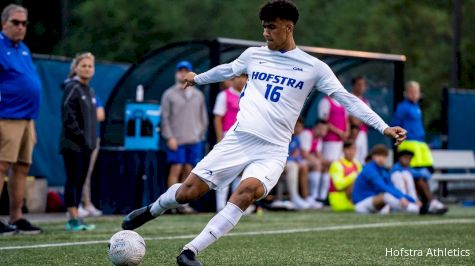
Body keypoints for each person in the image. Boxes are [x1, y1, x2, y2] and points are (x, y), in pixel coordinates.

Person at [122, 1, 406, 265]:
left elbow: (347, 99)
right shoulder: (253, 55)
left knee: (248, 192)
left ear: (288, 27)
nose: (266, 32)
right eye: (264, 26)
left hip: (272, 151)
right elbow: (228, 69)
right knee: (187, 193)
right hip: (238, 139)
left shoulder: (314, 67)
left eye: (271, 26)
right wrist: (198, 78)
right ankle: (153, 210)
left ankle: (190, 251)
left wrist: (383, 126)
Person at [0, 4, 42, 235]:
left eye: (24, 23)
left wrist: (31, 123)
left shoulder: (23, 48)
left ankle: (16, 217)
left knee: (22, 167)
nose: (20, 27)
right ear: (3, 23)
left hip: (27, 119)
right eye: (15, 22)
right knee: (1, 166)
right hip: (6, 116)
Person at [160, 61, 209, 213]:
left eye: (185, 71)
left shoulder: (198, 95)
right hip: (177, 138)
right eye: (180, 71)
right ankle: (170, 202)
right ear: (176, 73)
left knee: (190, 170)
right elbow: (164, 118)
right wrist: (169, 137)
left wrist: (199, 134)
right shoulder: (169, 94)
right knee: (176, 168)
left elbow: (203, 117)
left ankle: (183, 203)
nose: (182, 73)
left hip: (193, 139)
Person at [391, 81, 447, 212]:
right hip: (409, 144)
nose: (416, 94)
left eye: (418, 91)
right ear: (408, 92)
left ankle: (426, 203)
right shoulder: (403, 107)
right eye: (414, 92)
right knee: (415, 175)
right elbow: (395, 124)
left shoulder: (416, 106)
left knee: (423, 174)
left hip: (420, 145)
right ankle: (428, 202)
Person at [60, 52, 97, 231]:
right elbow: (68, 117)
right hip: (73, 144)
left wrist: (91, 141)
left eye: (90, 66)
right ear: (75, 68)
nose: (87, 69)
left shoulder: (89, 90)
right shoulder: (72, 87)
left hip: (87, 146)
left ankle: (77, 216)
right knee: (73, 179)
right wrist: (81, 137)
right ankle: (72, 217)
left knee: (81, 181)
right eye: (84, 65)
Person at [352, 145, 421, 214]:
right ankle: (414, 209)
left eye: (384, 156)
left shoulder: (383, 172)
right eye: (378, 155)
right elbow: (383, 187)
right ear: (373, 157)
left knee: (390, 197)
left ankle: (415, 207)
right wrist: (400, 197)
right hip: (361, 206)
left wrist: (412, 200)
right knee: (386, 196)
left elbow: (392, 188)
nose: (381, 158)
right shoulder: (369, 169)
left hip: (374, 206)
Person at [213, 75, 247, 212]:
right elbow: (218, 119)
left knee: (240, 172)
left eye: (244, 77)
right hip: (228, 136)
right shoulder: (224, 95)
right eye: (238, 77)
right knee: (225, 171)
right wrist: (220, 139)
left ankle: (234, 206)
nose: (241, 80)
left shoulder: (249, 95)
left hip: (244, 137)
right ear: (233, 79)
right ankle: (220, 206)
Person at [390, 150, 447, 214]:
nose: (408, 160)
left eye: (410, 158)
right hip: (401, 200)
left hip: (408, 199)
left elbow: (418, 174)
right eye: (405, 157)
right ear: (400, 158)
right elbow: (401, 192)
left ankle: (431, 203)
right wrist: (414, 200)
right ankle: (427, 205)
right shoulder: (396, 172)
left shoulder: (407, 169)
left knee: (420, 180)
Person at [78, 95, 105, 217]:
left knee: (87, 172)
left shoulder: (92, 94)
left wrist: (85, 112)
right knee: (76, 172)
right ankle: (75, 204)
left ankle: (87, 203)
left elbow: (101, 115)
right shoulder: (73, 92)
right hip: (78, 139)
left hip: (93, 139)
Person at [299, 120, 328, 202]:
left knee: (325, 166)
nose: (323, 131)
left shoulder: (319, 138)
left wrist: (326, 162)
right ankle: (313, 196)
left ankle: (322, 197)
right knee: (317, 164)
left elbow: (318, 154)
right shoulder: (307, 134)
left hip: (309, 160)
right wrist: (317, 161)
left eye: (325, 129)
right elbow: (304, 154)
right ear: (315, 127)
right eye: (321, 129)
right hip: (300, 160)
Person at [328, 141, 361, 212]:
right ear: (343, 150)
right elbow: (339, 186)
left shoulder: (357, 164)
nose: (351, 152)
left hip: (352, 198)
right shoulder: (336, 164)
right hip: (338, 200)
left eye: (353, 149)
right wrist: (354, 175)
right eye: (348, 149)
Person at [349, 76, 371, 163]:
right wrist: (362, 118)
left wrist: (361, 118)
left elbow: (369, 119)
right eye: (359, 85)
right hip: (353, 133)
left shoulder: (366, 101)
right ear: (354, 85)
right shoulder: (349, 98)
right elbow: (352, 119)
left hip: (363, 133)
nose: (361, 87)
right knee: (353, 158)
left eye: (363, 85)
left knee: (362, 159)